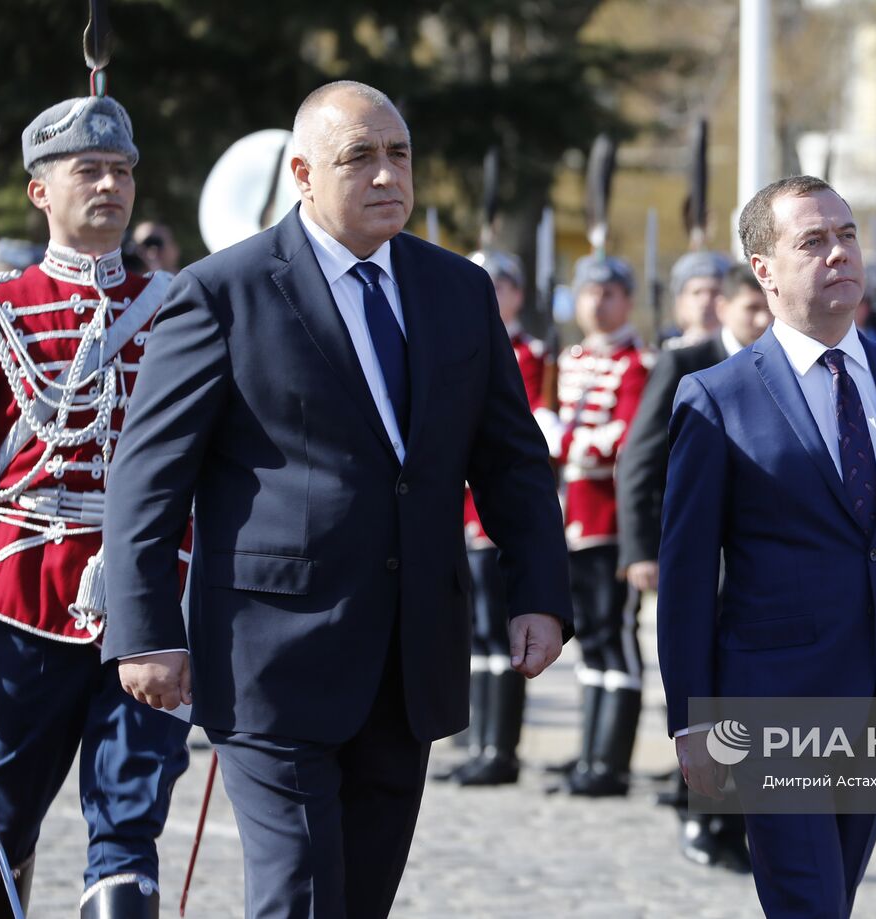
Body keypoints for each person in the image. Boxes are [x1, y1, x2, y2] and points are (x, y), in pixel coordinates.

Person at [101, 81, 572, 918]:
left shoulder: (457, 290)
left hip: (409, 656)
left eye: (399, 154)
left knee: (358, 900)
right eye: (361, 157)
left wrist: (540, 591)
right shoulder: (221, 293)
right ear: (303, 172)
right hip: (270, 662)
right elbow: (149, 476)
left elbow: (512, 459)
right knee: (301, 897)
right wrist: (145, 631)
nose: (388, 175)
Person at [658, 175, 876, 918]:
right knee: (808, 900)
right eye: (812, 241)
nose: (839, 253)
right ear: (765, 270)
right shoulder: (718, 396)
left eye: (846, 235)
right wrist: (689, 713)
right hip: (770, 701)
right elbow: (686, 573)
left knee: (828, 897)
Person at [0, 94, 192, 919]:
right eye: (89, 171)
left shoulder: (180, 310)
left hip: (150, 601)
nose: (110, 184)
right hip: (19, 599)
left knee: (128, 829)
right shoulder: (2, 312)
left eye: (121, 171)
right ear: (42, 191)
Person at [618, 262, 768, 870]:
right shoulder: (685, 363)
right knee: (698, 683)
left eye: (768, 308)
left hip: (757, 565)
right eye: (749, 308)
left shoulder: (784, 367)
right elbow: (640, 460)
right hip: (693, 557)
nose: (760, 320)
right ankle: (704, 815)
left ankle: (733, 818)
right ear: (724, 309)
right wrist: (639, 550)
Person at [542, 254, 653, 797]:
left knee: (616, 638)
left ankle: (611, 762)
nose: (596, 302)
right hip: (574, 518)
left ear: (626, 301)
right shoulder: (572, 358)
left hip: (613, 520)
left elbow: (625, 439)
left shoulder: (638, 363)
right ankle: (588, 754)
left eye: (608, 293)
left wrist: (563, 443)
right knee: (588, 637)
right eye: (588, 292)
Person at [444, 248, 551, 787]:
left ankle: (500, 749)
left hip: (495, 516)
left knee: (501, 633)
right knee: (478, 635)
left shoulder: (528, 352)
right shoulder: (456, 340)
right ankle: (480, 740)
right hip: (464, 511)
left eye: (501, 285)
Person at [662, 250, 729, 350]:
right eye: (697, 292)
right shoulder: (671, 354)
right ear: (680, 301)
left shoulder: (739, 351)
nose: (706, 300)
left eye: (714, 292)